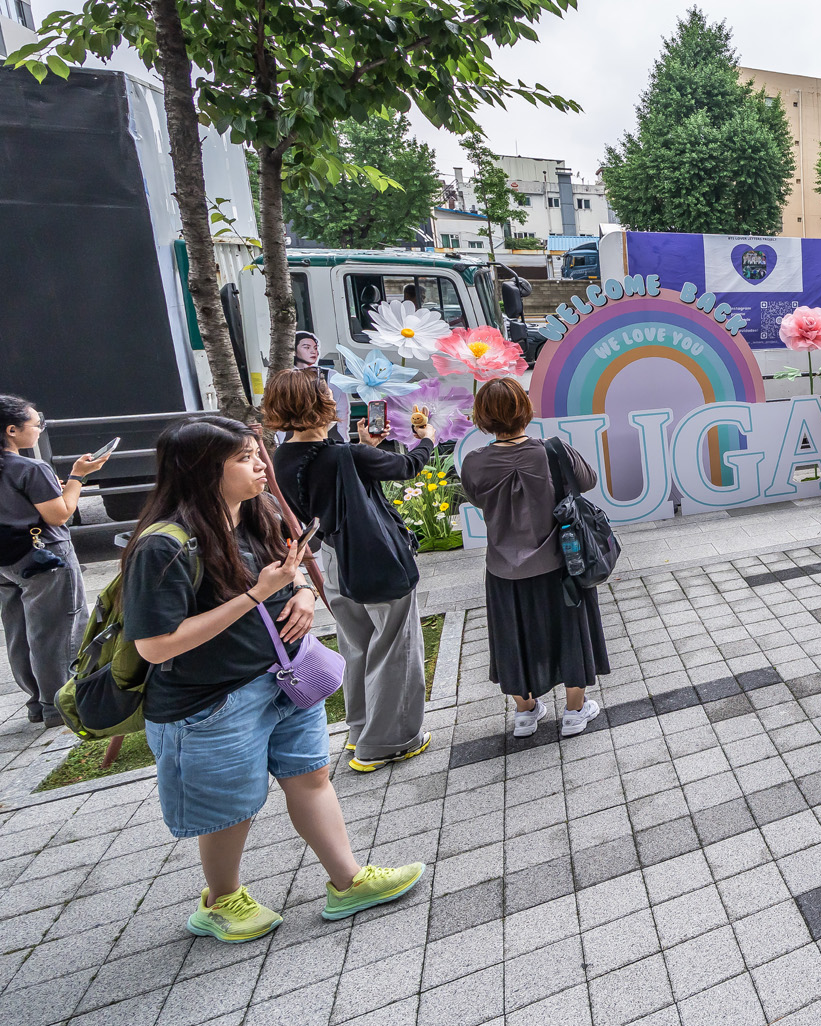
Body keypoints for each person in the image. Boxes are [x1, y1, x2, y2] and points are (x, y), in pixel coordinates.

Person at [122, 416, 423, 942]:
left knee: (312, 777)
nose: (263, 465)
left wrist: (302, 592)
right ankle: (220, 902)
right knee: (229, 809)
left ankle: (348, 880)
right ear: (200, 469)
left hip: (284, 681)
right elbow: (155, 644)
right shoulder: (163, 546)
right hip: (210, 702)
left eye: (258, 453)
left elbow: (294, 565)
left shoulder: (255, 514)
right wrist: (257, 596)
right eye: (244, 458)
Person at [268, 370, 435, 773]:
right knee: (395, 646)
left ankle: (359, 730)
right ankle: (387, 742)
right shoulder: (343, 454)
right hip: (375, 558)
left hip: (333, 558)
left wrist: (362, 448)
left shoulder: (282, 458)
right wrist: (427, 436)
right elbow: (408, 466)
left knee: (357, 645)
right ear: (321, 406)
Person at [460, 379, 611, 737]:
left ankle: (526, 714)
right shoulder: (553, 451)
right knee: (571, 632)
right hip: (561, 563)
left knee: (513, 637)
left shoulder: (474, 462)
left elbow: (477, 498)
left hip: (502, 569)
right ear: (526, 410)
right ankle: (575, 712)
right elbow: (586, 481)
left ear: (482, 418)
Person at [1, 396, 105, 725]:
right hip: (44, 555)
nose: (39, 429)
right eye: (36, 425)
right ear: (12, 430)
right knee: (58, 629)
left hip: (6, 559)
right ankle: (58, 706)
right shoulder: (29, 468)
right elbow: (60, 515)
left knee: (18, 629)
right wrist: (78, 478)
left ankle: (36, 702)